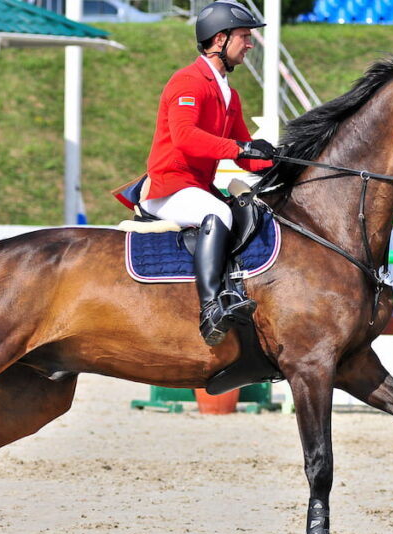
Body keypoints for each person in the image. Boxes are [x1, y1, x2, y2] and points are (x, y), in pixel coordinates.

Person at [143, 1, 277, 347]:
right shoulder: (188, 81)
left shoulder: (229, 95)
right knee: (217, 212)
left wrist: (280, 160)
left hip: (196, 187)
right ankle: (210, 308)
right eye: (244, 37)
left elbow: (248, 156)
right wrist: (240, 148)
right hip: (169, 187)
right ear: (220, 40)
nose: (249, 44)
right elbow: (186, 139)